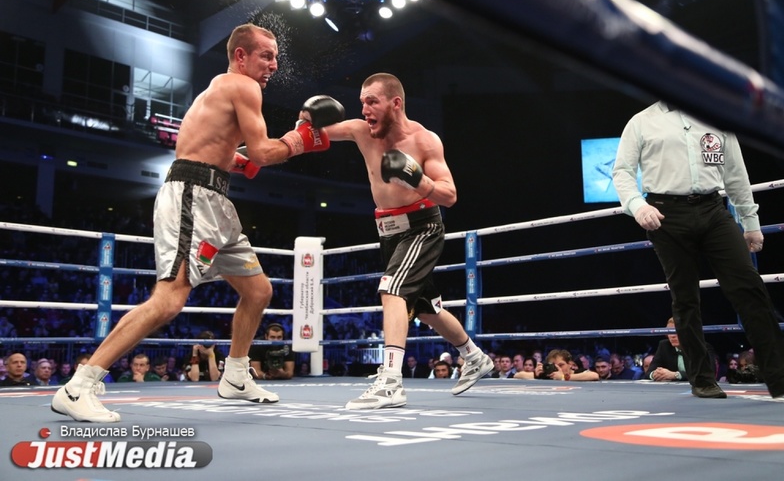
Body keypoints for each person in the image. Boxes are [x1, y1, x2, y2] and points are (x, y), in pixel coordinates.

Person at [51, 23, 344, 422]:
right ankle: (79, 385)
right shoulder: (243, 86)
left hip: (214, 200)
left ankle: (236, 376)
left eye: (276, 57)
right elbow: (262, 152)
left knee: (258, 291)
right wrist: (300, 139)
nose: (274, 65)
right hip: (193, 198)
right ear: (240, 55)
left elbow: (219, 151)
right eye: (266, 56)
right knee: (169, 300)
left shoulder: (220, 89)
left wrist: (240, 159)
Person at [324, 73, 494, 409]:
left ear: (395, 103)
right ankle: (474, 357)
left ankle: (390, 382)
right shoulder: (360, 130)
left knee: (392, 290)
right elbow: (316, 135)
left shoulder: (424, 141)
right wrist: (303, 123)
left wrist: (417, 179)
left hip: (421, 227)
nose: (364, 109)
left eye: (372, 101)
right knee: (427, 310)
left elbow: (449, 195)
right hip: (388, 232)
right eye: (362, 102)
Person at [613, 101, 784, 399]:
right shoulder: (641, 122)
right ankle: (702, 379)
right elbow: (622, 172)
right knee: (685, 299)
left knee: (749, 286)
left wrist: (750, 222)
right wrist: (637, 205)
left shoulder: (717, 116)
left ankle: (782, 376)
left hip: (713, 209)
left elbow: (735, 174)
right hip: (666, 212)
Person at [646, 317, 717, 382]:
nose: (672, 336)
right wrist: (655, 374)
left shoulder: (702, 347)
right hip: (672, 389)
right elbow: (649, 372)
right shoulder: (664, 345)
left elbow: (708, 373)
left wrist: (675, 375)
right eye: (669, 332)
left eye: (676, 331)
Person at [535, 349, 599, 381]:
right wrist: (536, 374)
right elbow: (528, 375)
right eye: (554, 366)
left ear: (570, 364)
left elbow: (594, 375)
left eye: (561, 365)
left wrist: (563, 377)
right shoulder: (549, 375)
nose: (558, 368)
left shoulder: (579, 372)